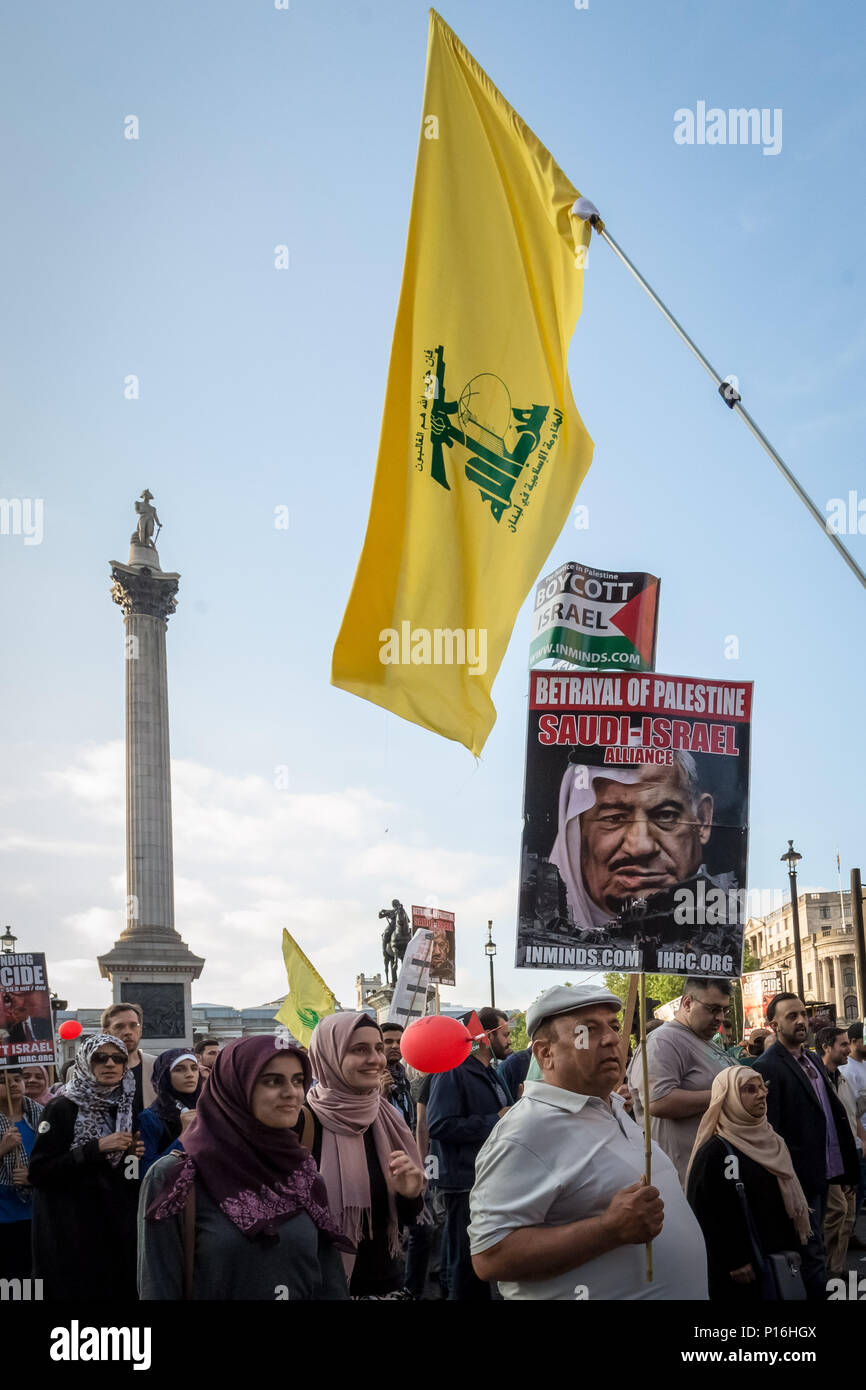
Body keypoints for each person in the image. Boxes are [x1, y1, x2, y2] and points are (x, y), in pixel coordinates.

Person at [469, 984, 708, 1300]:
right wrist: (607, 1230)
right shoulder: (524, 1131)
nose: (611, 1038)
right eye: (588, 1031)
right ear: (545, 1053)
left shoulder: (611, 1106)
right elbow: (489, 1257)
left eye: (613, 1026)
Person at [139, 1036, 349, 1300]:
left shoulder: (304, 1175)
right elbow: (159, 1287)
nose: (291, 1092)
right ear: (235, 1086)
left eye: (297, 1080)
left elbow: (330, 1282)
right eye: (272, 1081)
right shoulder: (178, 1178)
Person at [302, 1012, 425, 1299]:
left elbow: (404, 1218)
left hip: (384, 1284)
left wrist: (410, 1193)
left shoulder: (385, 1118)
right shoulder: (302, 1123)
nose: (376, 1059)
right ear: (328, 1056)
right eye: (359, 1050)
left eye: (378, 1048)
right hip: (320, 1287)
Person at [754, 993, 859, 1300]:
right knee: (810, 1255)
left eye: (803, 1014)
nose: (801, 1021)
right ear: (774, 1025)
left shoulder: (811, 1058)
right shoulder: (768, 1066)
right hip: (798, 1179)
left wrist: (844, 1169)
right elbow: (769, 1131)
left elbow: (830, 1114)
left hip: (825, 1172)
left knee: (819, 1248)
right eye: (791, 1016)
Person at [29, 1033, 144, 1300]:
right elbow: (39, 1172)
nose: (110, 1064)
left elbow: (129, 1175)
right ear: (84, 1062)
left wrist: (132, 1158)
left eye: (118, 1058)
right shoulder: (62, 1107)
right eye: (100, 1058)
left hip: (113, 1222)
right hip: (69, 1224)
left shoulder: (125, 1105)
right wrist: (95, 1148)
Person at [686, 1067, 811, 1300]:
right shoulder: (716, 1152)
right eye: (750, 1089)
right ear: (729, 1098)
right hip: (744, 1268)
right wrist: (735, 1259)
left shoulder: (771, 1139)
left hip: (779, 1253)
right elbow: (707, 1212)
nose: (762, 1094)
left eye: (762, 1087)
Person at [427, 1009, 513, 1299]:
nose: (510, 1039)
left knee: (478, 1257)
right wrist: (494, 1119)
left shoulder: (490, 1071)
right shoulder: (453, 1070)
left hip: (485, 1178)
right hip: (463, 1181)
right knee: (465, 1262)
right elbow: (438, 1124)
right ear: (485, 1038)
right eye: (505, 1033)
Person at [627, 977, 738, 1185]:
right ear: (687, 1003)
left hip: (716, 1171)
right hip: (685, 1180)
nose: (720, 1018)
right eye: (713, 1009)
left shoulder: (704, 1040)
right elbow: (658, 1102)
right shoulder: (663, 1041)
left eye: (724, 1010)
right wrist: (729, 1094)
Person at [818, 1025, 864, 1276]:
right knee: (837, 1211)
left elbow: (853, 1115)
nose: (847, 1048)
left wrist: (863, 1140)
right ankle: (819, 1268)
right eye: (843, 1044)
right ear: (826, 1046)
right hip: (831, 1159)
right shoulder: (817, 1079)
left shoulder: (842, 1078)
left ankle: (836, 1269)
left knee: (848, 1216)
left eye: (848, 1043)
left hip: (850, 1154)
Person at [0, 1068, 42, 1279]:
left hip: (36, 1214)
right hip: (4, 1217)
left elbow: (56, 1160)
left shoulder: (41, 1117)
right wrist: (2, 1148)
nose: (13, 1084)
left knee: (33, 1275)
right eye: (3, 1081)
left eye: (18, 1079)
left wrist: (33, 1176)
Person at [138, 1049, 203, 1175]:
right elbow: (146, 1173)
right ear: (165, 1076)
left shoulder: (208, 1110)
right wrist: (184, 1136)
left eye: (194, 1068)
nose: (190, 1074)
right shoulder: (150, 1118)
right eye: (179, 1069)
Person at [101, 1002, 156, 1117]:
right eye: (119, 1027)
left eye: (133, 1025)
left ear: (140, 1030)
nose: (128, 1032)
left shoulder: (156, 1066)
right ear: (106, 1033)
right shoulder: (87, 1072)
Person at [379, 1022, 415, 1130]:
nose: (395, 1046)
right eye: (388, 1042)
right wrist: (382, 1094)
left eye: (400, 1042)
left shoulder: (403, 1079)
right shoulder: (369, 1077)